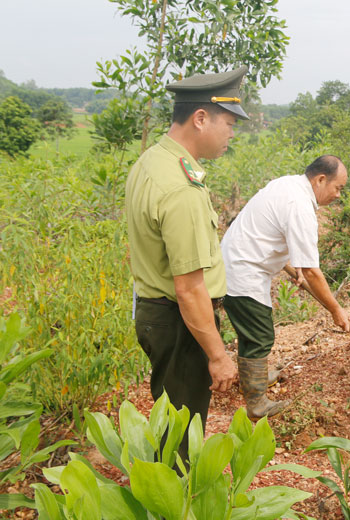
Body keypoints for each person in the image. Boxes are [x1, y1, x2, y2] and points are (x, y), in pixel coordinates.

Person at [126, 67, 249, 451]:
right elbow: (190, 287)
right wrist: (218, 356)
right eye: (229, 123)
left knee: (170, 418)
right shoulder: (182, 188)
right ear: (200, 118)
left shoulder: (151, 161)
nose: (232, 133)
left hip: (156, 313)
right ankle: (171, 504)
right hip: (181, 324)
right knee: (180, 433)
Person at [221, 155, 350, 418]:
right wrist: (336, 310)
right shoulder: (300, 205)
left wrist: (295, 268)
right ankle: (257, 404)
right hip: (243, 270)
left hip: (239, 259)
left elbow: (273, 231)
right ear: (321, 180)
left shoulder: (289, 184)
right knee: (259, 335)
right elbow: (313, 272)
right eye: (338, 188)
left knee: (255, 333)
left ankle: (255, 376)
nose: (339, 195)